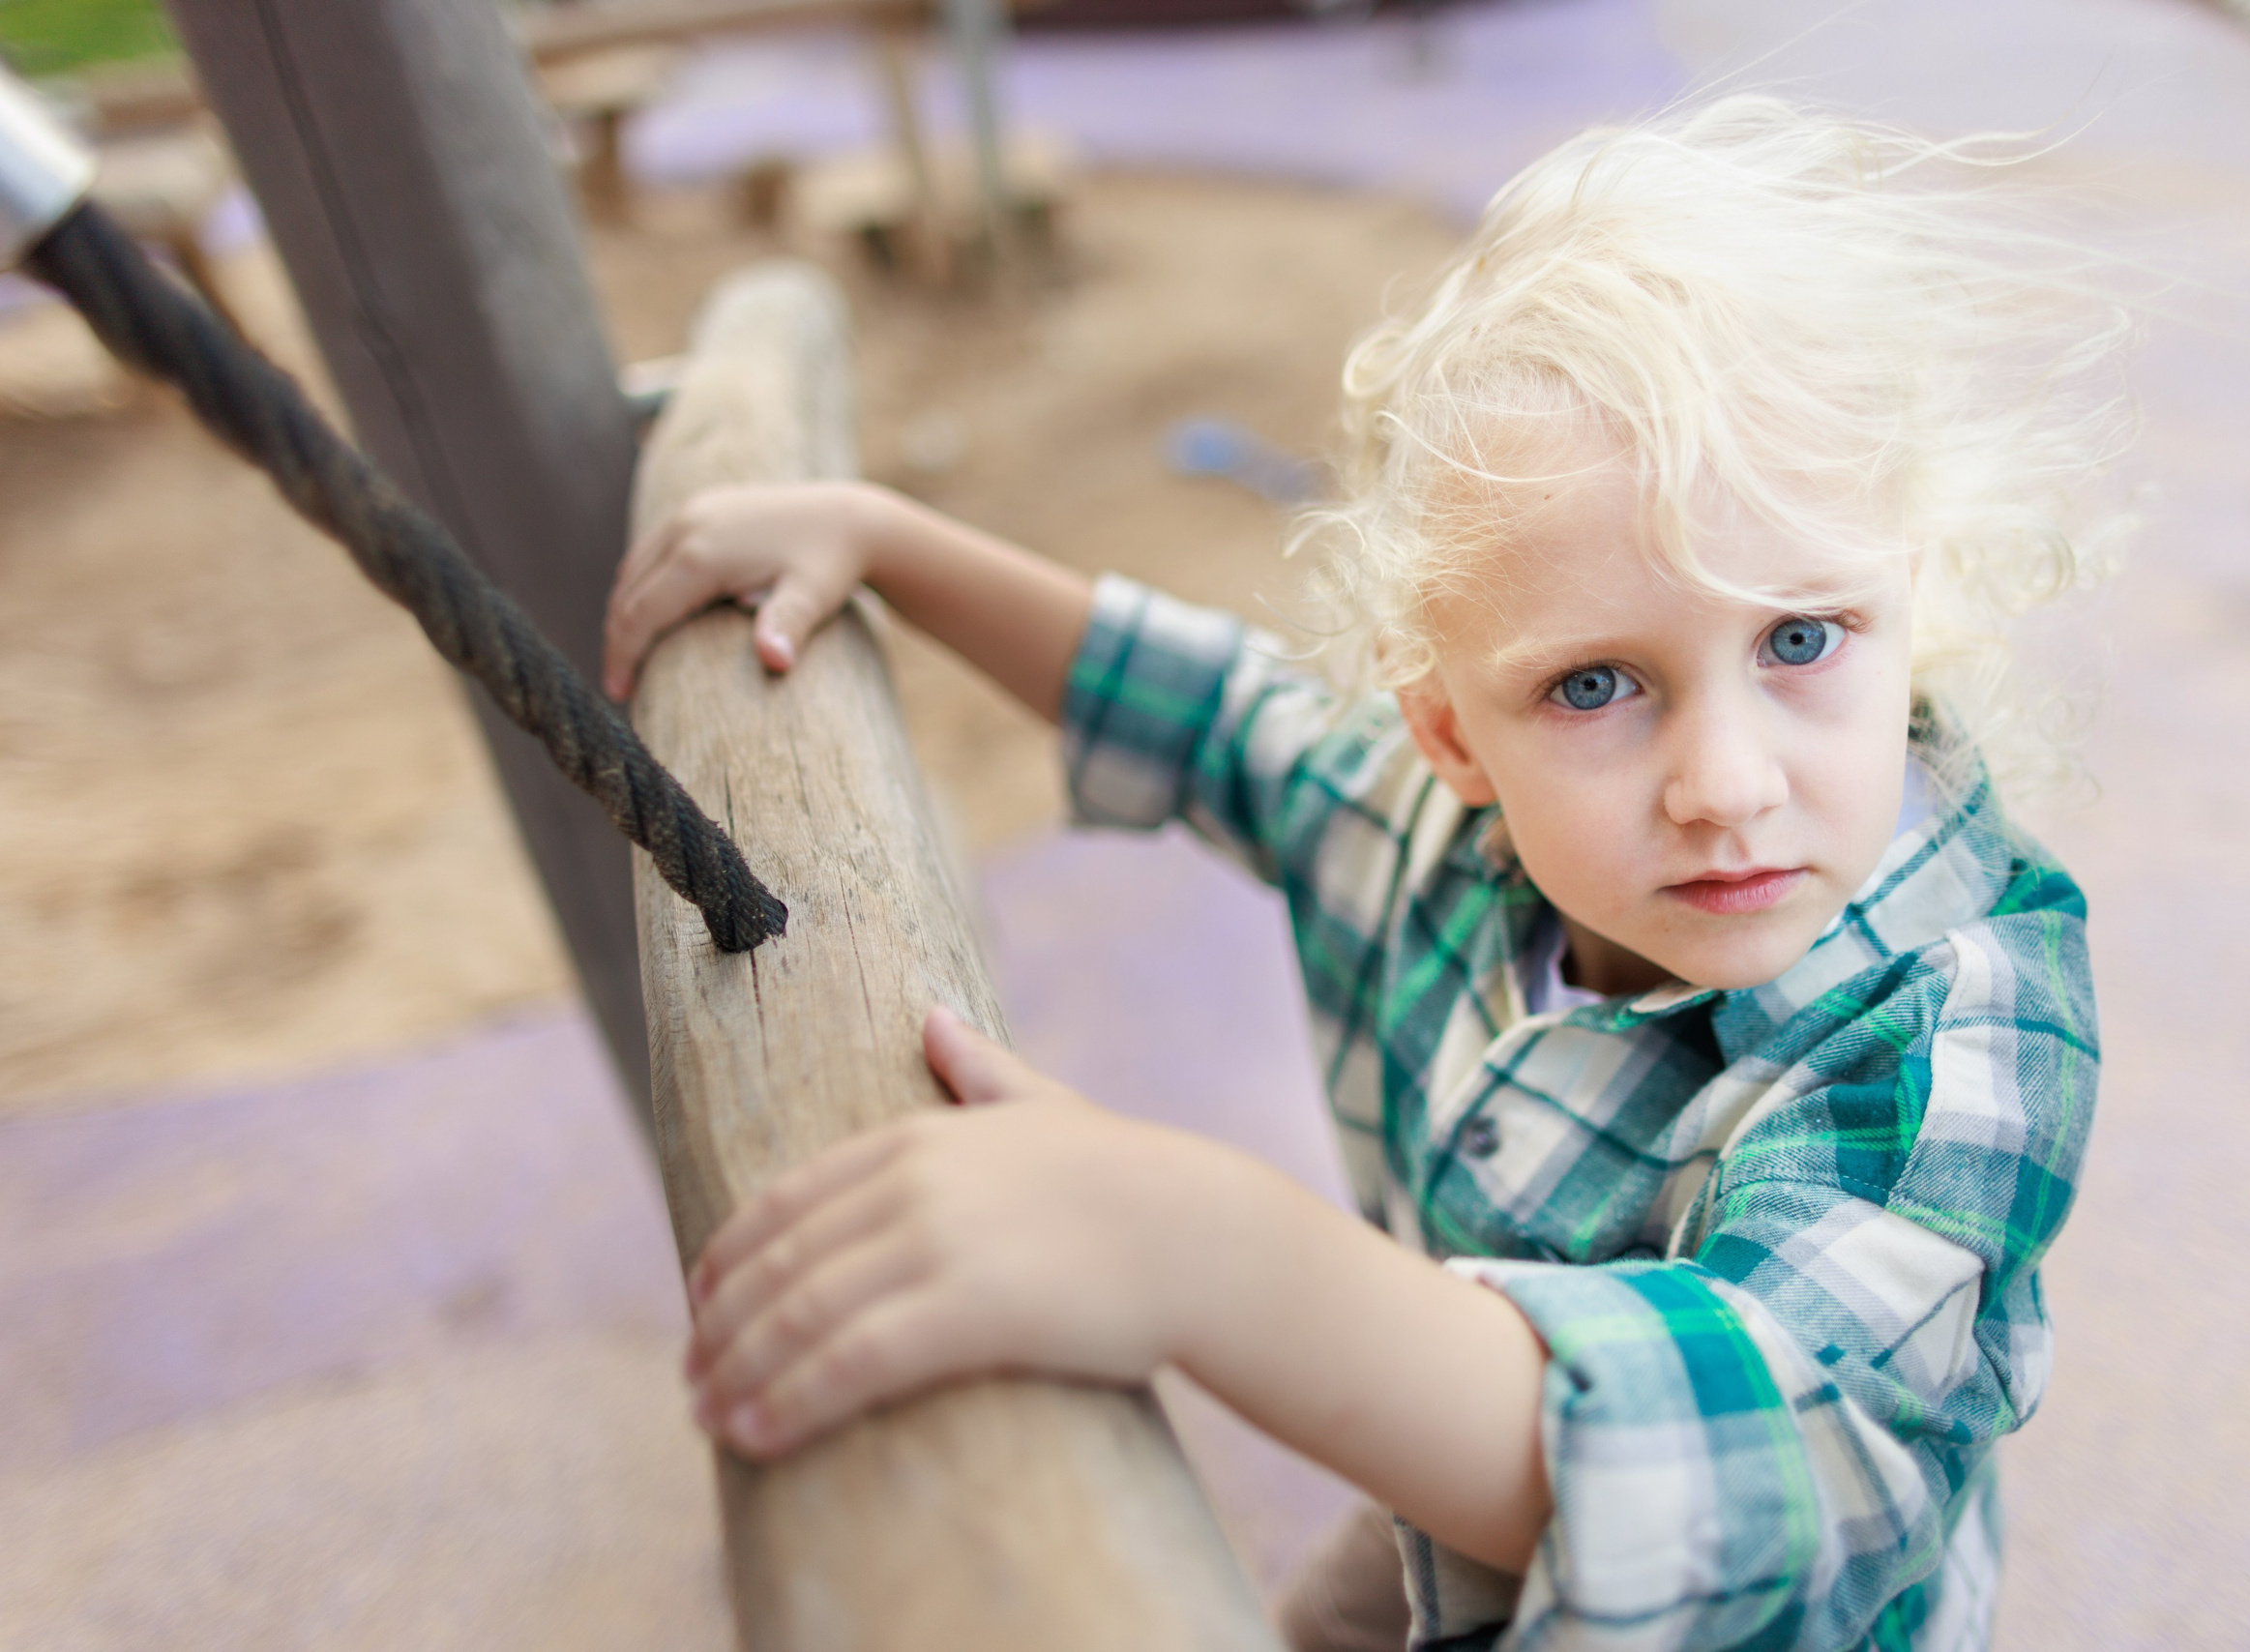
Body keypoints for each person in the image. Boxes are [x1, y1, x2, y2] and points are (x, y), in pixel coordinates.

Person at [600, 96, 2131, 1652]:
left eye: (1802, 639)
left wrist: (1202, 1252)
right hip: (1445, 1498)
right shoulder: (1441, 826)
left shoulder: (1962, 1025)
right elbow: (1219, 714)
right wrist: (892, 544)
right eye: (1597, 684)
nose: (1728, 785)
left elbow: (1763, 1449)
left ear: (1909, 601)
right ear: (1449, 730)